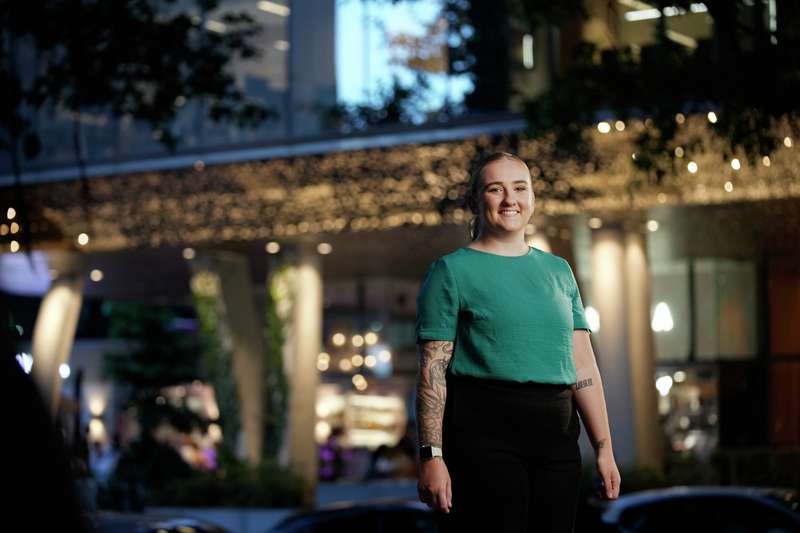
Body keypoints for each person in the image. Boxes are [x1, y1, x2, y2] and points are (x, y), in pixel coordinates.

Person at [414, 151, 621, 532]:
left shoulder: (559, 271)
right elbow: (433, 372)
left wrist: (604, 449)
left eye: (519, 188)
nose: (510, 199)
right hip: (483, 435)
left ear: (533, 198)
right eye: (496, 189)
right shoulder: (450, 271)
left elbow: (584, 366)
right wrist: (432, 455)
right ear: (477, 200)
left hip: (557, 438)